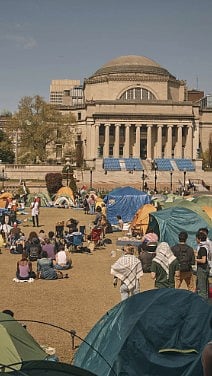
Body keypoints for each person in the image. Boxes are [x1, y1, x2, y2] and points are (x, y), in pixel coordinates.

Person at [196, 231, 209, 300]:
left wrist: (195, 259)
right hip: (206, 268)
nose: (196, 240)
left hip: (202, 268)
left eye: (196, 238)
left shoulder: (202, 248)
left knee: (202, 288)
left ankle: (202, 304)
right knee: (205, 287)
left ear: (199, 239)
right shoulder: (207, 245)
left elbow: (203, 260)